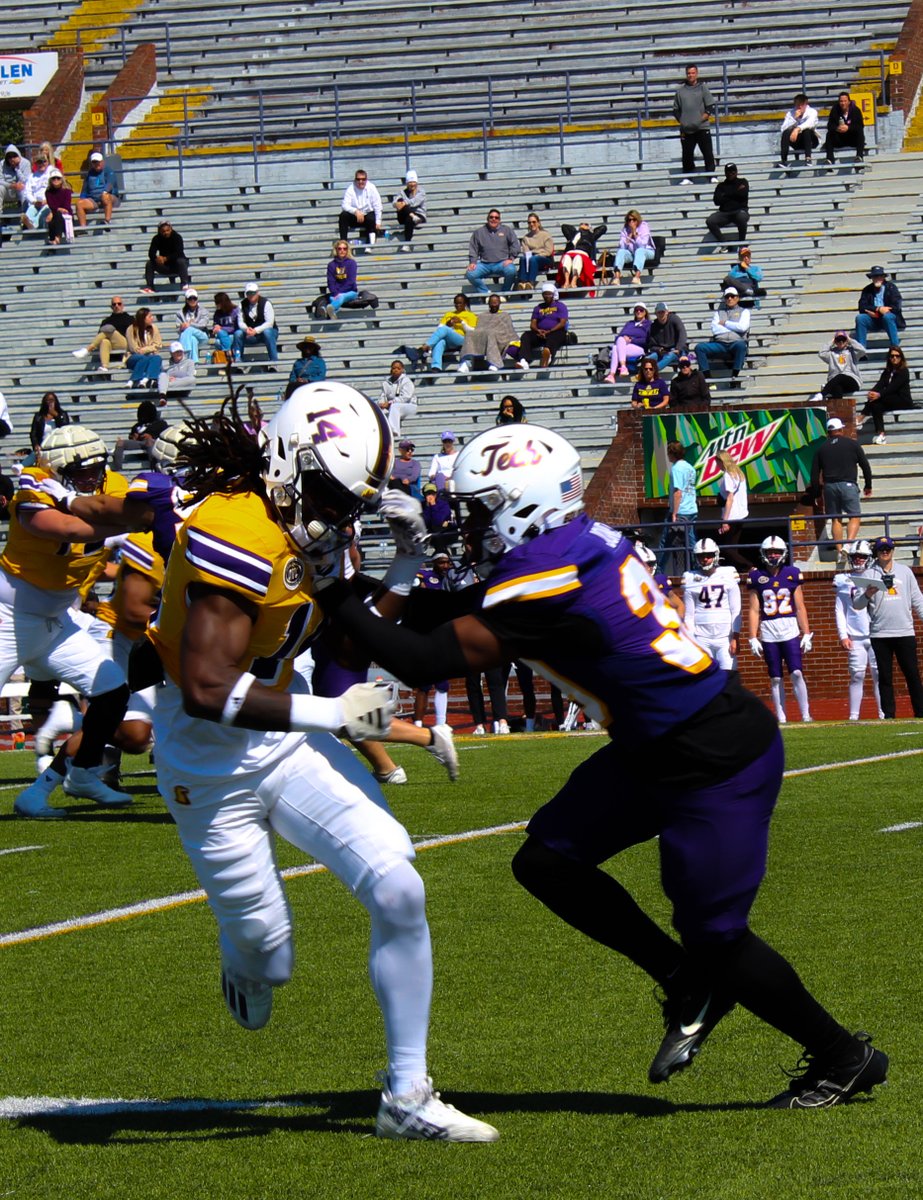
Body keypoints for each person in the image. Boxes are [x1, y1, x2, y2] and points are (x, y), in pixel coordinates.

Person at [316, 422, 888, 1110]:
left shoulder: (546, 577)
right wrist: (382, 573)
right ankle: (682, 979)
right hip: (656, 744)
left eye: (477, 507)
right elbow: (450, 610)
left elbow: (422, 657)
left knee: (715, 935)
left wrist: (329, 584)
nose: (466, 522)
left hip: (712, 757)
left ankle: (842, 1055)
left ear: (519, 501)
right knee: (546, 862)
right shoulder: (577, 542)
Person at [143, 382, 498, 1141]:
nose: (340, 514)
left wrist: (404, 566)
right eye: (333, 495)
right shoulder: (235, 528)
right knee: (269, 957)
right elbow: (206, 689)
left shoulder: (308, 524)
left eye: (351, 501)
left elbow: (340, 639)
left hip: (282, 741)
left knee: (399, 884)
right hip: (207, 764)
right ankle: (245, 960)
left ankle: (406, 1096)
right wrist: (334, 713)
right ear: (287, 460)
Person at [3, 425, 156, 817]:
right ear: (55, 467)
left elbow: (135, 515)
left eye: (96, 467)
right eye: (80, 469)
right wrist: (120, 519)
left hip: (58, 619)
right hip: (8, 615)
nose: (93, 476)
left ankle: (77, 775)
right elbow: (65, 528)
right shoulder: (33, 486)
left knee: (112, 690)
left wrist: (76, 501)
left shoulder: (113, 484)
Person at [852, 536, 923, 719]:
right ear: (876, 551)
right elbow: (857, 605)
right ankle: (889, 715)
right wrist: (868, 593)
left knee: (912, 675)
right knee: (884, 677)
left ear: (893, 550)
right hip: (880, 633)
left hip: (904, 631)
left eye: (888, 549)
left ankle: (920, 712)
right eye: (882, 549)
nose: (885, 552)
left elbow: (917, 600)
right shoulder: (868, 574)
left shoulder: (905, 572)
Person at [747, 536, 813, 724]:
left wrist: (806, 632)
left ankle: (806, 715)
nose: (774, 555)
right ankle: (781, 717)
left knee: (797, 672)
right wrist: (752, 636)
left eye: (776, 552)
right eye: (770, 552)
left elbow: (800, 607)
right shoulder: (756, 577)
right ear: (764, 554)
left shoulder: (792, 573)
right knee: (775, 677)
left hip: (790, 628)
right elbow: (753, 608)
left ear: (783, 553)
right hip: (768, 630)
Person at [809, 416, 872, 561]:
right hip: (848, 484)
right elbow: (865, 465)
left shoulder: (821, 449)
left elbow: (814, 473)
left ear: (828, 432)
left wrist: (817, 493)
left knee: (836, 519)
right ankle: (848, 545)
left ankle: (839, 552)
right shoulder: (852, 444)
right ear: (841, 429)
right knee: (854, 516)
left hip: (829, 487)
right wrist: (868, 485)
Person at [834, 540, 884, 722]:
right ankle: (854, 716)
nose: (858, 560)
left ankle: (883, 713)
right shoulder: (843, 580)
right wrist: (843, 635)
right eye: (855, 557)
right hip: (855, 636)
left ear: (869, 558)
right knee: (857, 675)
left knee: (879, 675)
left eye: (862, 557)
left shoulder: (877, 576)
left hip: (876, 634)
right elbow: (840, 610)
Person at [681, 538, 741, 669]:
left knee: (729, 676)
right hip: (701, 637)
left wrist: (735, 637)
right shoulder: (690, 577)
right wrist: (691, 640)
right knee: (705, 677)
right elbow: (689, 615)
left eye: (709, 555)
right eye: (701, 556)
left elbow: (736, 610)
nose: (705, 559)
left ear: (716, 555)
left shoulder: (728, 573)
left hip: (725, 637)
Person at [656, 440, 698, 574]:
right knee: (690, 542)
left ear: (671, 453)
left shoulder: (677, 469)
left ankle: (657, 572)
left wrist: (674, 513)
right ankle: (696, 568)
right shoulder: (690, 467)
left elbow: (678, 492)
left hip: (681, 511)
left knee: (665, 543)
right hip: (691, 509)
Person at [695, 286, 750, 385]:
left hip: (736, 342)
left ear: (737, 298)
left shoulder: (744, 312)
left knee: (741, 346)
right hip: (720, 344)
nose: (730, 299)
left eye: (732, 296)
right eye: (727, 297)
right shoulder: (719, 312)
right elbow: (715, 329)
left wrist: (725, 323)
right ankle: (708, 377)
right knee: (700, 347)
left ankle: (735, 376)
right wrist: (734, 327)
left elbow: (743, 327)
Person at [672, 65, 717, 184]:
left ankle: (711, 175)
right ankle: (688, 177)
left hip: (702, 128)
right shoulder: (680, 91)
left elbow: (710, 107)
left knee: (707, 152)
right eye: (688, 73)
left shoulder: (703, 88)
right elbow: (676, 109)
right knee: (687, 154)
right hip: (686, 129)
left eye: (692, 73)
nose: (690, 75)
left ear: (696, 74)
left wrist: (700, 120)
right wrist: (682, 121)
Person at [858, 346, 912, 444]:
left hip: (903, 400)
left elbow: (893, 387)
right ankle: (881, 434)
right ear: (889, 358)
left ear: (901, 358)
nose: (894, 358)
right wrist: (872, 392)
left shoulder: (904, 371)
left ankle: (861, 417)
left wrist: (878, 394)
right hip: (890, 399)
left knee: (877, 399)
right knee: (875, 404)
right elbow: (880, 384)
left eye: (897, 356)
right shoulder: (887, 371)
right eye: (892, 356)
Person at [73, 295, 133, 373]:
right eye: (114, 304)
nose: (117, 306)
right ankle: (104, 366)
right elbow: (100, 336)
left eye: (119, 304)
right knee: (104, 341)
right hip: (111, 345)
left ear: (122, 305)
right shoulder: (106, 320)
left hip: (125, 344)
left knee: (109, 328)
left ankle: (87, 350)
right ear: (111, 307)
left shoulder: (130, 319)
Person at [458, 293, 515, 374]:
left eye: (496, 303)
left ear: (499, 303)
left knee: (490, 333)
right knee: (469, 334)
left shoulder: (505, 315)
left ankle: (494, 363)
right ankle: (465, 363)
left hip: (499, 337)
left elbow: (508, 330)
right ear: (488, 304)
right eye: (492, 303)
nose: (494, 305)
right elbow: (478, 329)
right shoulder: (482, 315)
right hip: (483, 337)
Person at [465, 209, 520, 293]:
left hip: (502, 263)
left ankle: (505, 292)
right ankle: (485, 293)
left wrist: (511, 258)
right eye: (491, 217)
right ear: (487, 219)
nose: (494, 219)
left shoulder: (506, 230)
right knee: (470, 273)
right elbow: (473, 248)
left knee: (511, 271)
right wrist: (473, 262)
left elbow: (515, 245)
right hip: (485, 264)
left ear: (499, 220)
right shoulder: (479, 232)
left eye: (496, 218)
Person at [516, 283, 568, 370]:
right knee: (526, 336)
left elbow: (562, 323)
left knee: (556, 335)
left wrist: (550, 331)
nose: (547, 296)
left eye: (549, 294)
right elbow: (532, 324)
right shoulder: (538, 307)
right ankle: (524, 361)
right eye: (545, 294)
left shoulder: (560, 306)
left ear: (553, 294)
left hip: (555, 331)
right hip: (540, 333)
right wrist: (538, 331)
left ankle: (548, 354)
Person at [420, 294, 477, 372]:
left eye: (460, 303)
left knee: (445, 329)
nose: (457, 305)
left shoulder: (470, 315)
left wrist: (462, 322)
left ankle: (426, 346)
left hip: (462, 339)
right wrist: (448, 324)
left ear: (465, 304)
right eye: (456, 303)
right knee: (440, 341)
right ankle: (436, 366)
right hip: (448, 340)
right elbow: (439, 329)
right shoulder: (449, 314)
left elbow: (472, 331)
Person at [715, 448, 750, 570]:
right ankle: (738, 570)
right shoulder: (739, 473)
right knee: (732, 547)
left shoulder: (728, 475)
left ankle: (749, 567)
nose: (716, 465)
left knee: (726, 548)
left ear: (721, 461)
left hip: (731, 516)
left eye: (717, 462)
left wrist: (725, 521)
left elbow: (730, 498)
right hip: (741, 514)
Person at [854, 265, 905, 349]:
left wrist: (880, 313)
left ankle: (895, 348)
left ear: (883, 277)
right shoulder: (867, 290)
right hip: (874, 319)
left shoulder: (891, 288)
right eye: (875, 276)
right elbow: (862, 306)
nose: (877, 278)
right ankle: (861, 350)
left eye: (880, 276)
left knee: (888, 317)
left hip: (889, 319)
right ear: (872, 278)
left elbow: (896, 306)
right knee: (860, 318)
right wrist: (878, 309)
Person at [112, 400, 169, 471]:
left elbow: (165, 437)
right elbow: (131, 437)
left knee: (149, 441)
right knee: (120, 443)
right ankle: (118, 470)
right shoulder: (137, 426)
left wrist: (152, 437)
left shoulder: (161, 424)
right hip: (139, 443)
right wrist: (133, 437)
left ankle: (155, 469)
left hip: (154, 443)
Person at [810, 331, 866, 401]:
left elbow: (862, 351)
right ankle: (838, 410)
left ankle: (821, 394)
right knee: (837, 388)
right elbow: (821, 353)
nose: (841, 342)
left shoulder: (852, 352)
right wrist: (832, 341)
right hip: (835, 381)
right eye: (838, 340)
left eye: (843, 339)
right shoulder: (831, 353)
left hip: (852, 381)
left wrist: (850, 340)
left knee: (840, 376)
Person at [605, 302, 651, 381]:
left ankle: (617, 370)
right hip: (624, 346)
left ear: (645, 312)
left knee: (617, 347)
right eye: (636, 310)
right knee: (617, 345)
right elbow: (618, 338)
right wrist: (624, 339)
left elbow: (647, 340)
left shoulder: (648, 324)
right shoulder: (629, 323)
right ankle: (614, 374)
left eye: (641, 310)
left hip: (639, 348)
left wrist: (631, 340)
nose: (638, 312)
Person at [706, 164, 749, 249]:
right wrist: (735, 192)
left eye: (732, 171)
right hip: (724, 213)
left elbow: (743, 194)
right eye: (728, 171)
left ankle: (742, 244)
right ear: (725, 173)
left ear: (736, 172)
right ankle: (724, 243)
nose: (730, 173)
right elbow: (717, 201)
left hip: (739, 211)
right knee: (710, 221)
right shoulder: (720, 186)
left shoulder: (743, 181)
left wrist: (725, 195)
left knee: (742, 217)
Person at [142, 219, 191, 293]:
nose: (166, 233)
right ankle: (150, 287)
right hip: (164, 266)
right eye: (163, 231)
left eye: (167, 230)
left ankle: (184, 284)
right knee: (149, 263)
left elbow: (179, 252)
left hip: (176, 266)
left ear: (171, 229)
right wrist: (157, 259)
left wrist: (166, 258)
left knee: (181, 261)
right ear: (159, 231)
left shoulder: (177, 237)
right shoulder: (156, 239)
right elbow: (151, 253)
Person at [235, 282, 278, 366]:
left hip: (265, 332)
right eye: (248, 293)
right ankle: (238, 362)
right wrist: (246, 329)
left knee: (268, 332)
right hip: (250, 333)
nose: (251, 295)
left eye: (253, 293)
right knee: (238, 333)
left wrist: (256, 330)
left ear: (258, 293)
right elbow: (240, 322)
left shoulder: (266, 303)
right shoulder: (242, 304)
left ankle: (274, 362)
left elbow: (269, 323)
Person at [338, 168, 383, 244]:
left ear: (366, 179)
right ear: (355, 180)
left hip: (367, 216)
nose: (360, 181)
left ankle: (370, 245)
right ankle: (343, 242)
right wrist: (355, 211)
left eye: (363, 179)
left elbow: (377, 205)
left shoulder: (371, 188)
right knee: (343, 215)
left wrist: (378, 221)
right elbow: (344, 205)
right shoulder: (350, 188)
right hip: (355, 217)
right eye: (358, 179)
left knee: (372, 218)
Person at [557, 221, 606, 290]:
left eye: (586, 224)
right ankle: (566, 281)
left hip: (582, 252)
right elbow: (564, 226)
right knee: (566, 258)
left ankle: (574, 281)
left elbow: (603, 228)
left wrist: (590, 230)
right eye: (581, 224)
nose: (583, 225)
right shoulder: (573, 234)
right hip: (570, 251)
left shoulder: (591, 235)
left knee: (578, 258)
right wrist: (575, 230)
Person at [75, 151, 119, 227]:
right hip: (94, 200)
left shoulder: (108, 171)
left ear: (102, 162)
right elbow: (84, 189)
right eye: (94, 162)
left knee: (105, 196)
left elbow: (111, 183)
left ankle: (107, 220)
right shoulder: (89, 174)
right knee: (79, 203)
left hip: (109, 197)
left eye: (98, 162)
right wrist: (83, 198)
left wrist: (105, 191)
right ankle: (83, 227)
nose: (96, 164)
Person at [126, 307, 165, 389]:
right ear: (143, 318)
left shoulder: (154, 328)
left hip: (149, 356)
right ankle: (133, 380)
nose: (152, 318)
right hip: (134, 358)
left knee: (157, 358)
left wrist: (144, 349)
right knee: (143, 358)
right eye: (150, 316)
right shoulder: (131, 329)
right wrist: (150, 348)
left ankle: (145, 379)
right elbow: (134, 349)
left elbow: (158, 344)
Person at [614, 209, 655, 286]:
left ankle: (637, 277)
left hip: (647, 251)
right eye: (629, 220)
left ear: (638, 219)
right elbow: (622, 247)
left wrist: (635, 234)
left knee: (639, 251)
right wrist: (628, 237)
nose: (631, 222)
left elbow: (642, 245)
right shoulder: (625, 230)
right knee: (621, 252)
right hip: (632, 253)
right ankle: (617, 277)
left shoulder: (644, 227)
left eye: (634, 219)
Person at [516, 212, 556, 289]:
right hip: (532, 258)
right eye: (529, 222)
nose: (532, 224)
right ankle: (522, 282)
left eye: (534, 222)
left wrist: (537, 254)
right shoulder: (526, 238)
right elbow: (526, 252)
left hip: (545, 258)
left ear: (538, 223)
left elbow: (548, 251)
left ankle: (531, 282)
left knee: (534, 259)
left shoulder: (546, 235)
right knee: (523, 259)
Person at [778, 94, 819, 167]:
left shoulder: (812, 112)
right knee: (786, 132)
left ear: (806, 104)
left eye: (801, 105)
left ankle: (808, 159)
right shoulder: (790, 113)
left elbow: (810, 123)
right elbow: (783, 128)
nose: (799, 107)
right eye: (797, 105)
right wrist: (795, 119)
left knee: (807, 131)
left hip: (811, 140)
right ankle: (783, 161)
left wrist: (797, 129)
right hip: (796, 140)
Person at [824, 92, 865, 165]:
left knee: (860, 132)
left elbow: (860, 125)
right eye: (841, 101)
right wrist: (837, 128)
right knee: (829, 134)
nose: (843, 103)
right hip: (840, 138)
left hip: (851, 138)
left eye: (845, 101)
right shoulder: (835, 110)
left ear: (849, 102)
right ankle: (829, 159)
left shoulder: (855, 110)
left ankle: (859, 157)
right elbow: (830, 125)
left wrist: (848, 128)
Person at [378, 360, 417, 436]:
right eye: (393, 368)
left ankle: (394, 431)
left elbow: (406, 397)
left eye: (398, 368)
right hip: (393, 407)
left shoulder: (406, 381)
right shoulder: (386, 383)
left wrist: (389, 403)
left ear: (402, 369)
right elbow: (382, 396)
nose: (395, 370)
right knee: (380, 411)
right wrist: (381, 404)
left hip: (409, 406)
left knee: (395, 406)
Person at [646, 301, 688, 371]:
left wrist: (678, 348)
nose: (661, 314)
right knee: (648, 359)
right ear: (656, 314)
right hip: (662, 352)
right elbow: (651, 344)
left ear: (667, 312)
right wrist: (658, 349)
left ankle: (653, 371)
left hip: (676, 350)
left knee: (669, 356)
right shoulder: (653, 326)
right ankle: (643, 373)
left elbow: (682, 334)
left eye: (663, 312)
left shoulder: (674, 319)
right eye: (659, 312)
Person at [325, 239, 360, 318]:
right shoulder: (331, 265)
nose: (342, 251)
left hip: (351, 292)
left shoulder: (352, 263)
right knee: (332, 297)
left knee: (341, 297)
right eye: (339, 248)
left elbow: (351, 281)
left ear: (347, 250)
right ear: (336, 250)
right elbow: (330, 282)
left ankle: (328, 309)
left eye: (344, 248)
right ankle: (332, 313)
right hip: (336, 292)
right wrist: (335, 293)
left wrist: (339, 293)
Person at [174, 288, 210, 362]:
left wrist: (189, 324)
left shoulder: (203, 311)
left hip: (202, 335)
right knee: (193, 339)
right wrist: (181, 327)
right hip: (189, 338)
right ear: (186, 300)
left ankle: (184, 354)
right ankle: (194, 363)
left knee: (189, 329)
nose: (193, 300)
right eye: (190, 298)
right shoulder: (180, 313)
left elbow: (203, 325)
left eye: (194, 298)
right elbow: (177, 329)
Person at [421, 481, 457, 552]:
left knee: (437, 527)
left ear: (436, 494)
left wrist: (433, 506)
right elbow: (425, 522)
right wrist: (428, 507)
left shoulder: (443, 504)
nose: (431, 496)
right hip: (431, 533)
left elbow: (438, 520)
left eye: (433, 493)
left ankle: (441, 553)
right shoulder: (422, 505)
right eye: (428, 493)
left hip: (448, 532)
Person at [392, 169, 426, 244]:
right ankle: (413, 216)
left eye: (414, 182)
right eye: (410, 182)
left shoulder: (421, 192)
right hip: (405, 216)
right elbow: (394, 203)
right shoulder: (402, 192)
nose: (412, 184)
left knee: (409, 218)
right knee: (400, 200)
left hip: (419, 215)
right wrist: (397, 204)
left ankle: (407, 243)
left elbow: (415, 202)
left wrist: (404, 203)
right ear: (407, 183)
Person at [22, 151, 51, 229]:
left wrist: (47, 200)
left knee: (43, 211)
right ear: (36, 164)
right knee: (31, 209)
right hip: (35, 203)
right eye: (39, 162)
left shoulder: (52, 174)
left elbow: (56, 191)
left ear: (48, 162)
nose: (42, 164)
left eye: (44, 161)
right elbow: (27, 192)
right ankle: (27, 221)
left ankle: (32, 225)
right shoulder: (31, 176)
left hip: (48, 203)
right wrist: (34, 202)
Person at [43, 168, 73, 245]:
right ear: (51, 180)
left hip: (66, 214)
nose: (56, 180)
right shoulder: (48, 192)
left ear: (61, 180)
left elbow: (66, 205)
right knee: (54, 219)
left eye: (58, 178)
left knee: (57, 216)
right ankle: (56, 240)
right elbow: (51, 205)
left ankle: (56, 239)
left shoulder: (67, 191)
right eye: (53, 178)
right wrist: (58, 209)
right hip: (55, 213)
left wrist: (57, 209)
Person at [211, 292, 241, 360]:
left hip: (233, 334)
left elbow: (237, 327)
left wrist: (222, 328)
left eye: (217, 302)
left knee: (218, 342)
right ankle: (228, 354)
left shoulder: (235, 311)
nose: (216, 305)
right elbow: (215, 324)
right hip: (221, 335)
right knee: (220, 334)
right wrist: (215, 327)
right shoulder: (217, 313)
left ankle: (225, 356)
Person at [1, 144, 30, 210]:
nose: (12, 159)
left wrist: (17, 168)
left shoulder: (26, 163)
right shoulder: (1, 164)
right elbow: (0, 180)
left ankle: (25, 214)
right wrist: (11, 185)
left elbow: (26, 180)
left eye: (14, 156)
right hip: (8, 189)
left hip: (20, 188)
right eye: (9, 157)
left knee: (24, 190)